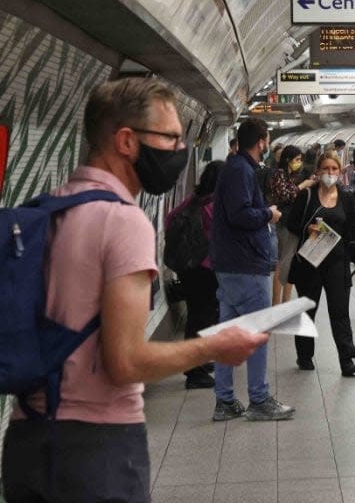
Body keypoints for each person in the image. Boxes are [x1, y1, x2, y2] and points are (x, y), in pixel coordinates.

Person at [1, 78, 267, 502]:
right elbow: (125, 361)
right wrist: (215, 347)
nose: (180, 150)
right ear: (126, 140)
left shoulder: (48, 208)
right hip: (95, 450)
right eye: (171, 137)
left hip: (27, 440)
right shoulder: (122, 221)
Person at [210, 117, 295, 422]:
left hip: (232, 264)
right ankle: (259, 400)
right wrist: (268, 215)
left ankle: (226, 401)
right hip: (245, 265)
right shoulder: (240, 170)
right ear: (261, 141)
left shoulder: (238, 168)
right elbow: (240, 214)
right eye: (267, 139)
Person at [286, 151, 355, 376]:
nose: (330, 173)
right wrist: (306, 229)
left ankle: (347, 359)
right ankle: (305, 354)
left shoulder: (347, 197)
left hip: (337, 262)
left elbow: (351, 233)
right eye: (326, 169)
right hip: (310, 261)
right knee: (308, 309)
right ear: (318, 171)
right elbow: (290, 223)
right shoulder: (307, 195)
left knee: (340, 312)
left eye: (334, 169)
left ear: (340, 171)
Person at [165, 160, 225, 389]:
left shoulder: (194, 200)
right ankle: (194, 371)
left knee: (197, 315)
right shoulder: (215, 204)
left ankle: (198, 362)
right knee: (203, 316)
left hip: (189, 268)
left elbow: (170, 218)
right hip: (205, 269)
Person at [271, 145, 316, 305]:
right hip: (284, 222)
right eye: (296, 159)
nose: (299, 163)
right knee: (283, 263)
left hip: (293, 221)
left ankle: (285, 302)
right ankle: (276, 304)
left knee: (290, 263)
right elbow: (286, 195)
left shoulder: (292, 175)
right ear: (288, 159)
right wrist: (302, 186)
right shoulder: (279, 174)